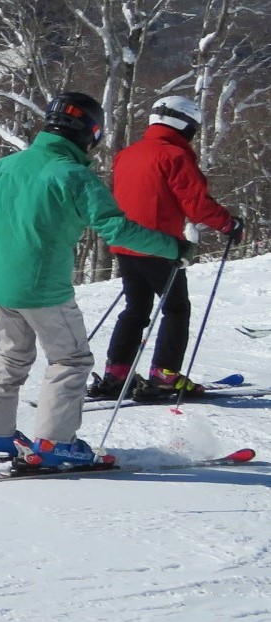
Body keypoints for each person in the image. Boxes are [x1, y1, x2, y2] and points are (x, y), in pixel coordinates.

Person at [0, 91, 189, 469]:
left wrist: (2, 252)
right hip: (44, 288)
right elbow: (116, 229)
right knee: (71, 360)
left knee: (10, 355)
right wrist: (171, 247)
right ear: (90, 132)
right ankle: (55, 444)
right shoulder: (75, 176)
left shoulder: (4, 167)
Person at [93, 96, 244, 401]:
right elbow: (198, 205)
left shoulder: (127, 154)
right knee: (176, 309)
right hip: (160, 246)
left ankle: (116, 375)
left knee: (135, 310)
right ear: (186, 125)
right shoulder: (174, 155)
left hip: (125, 244)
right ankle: (165, 377)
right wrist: (229, 224)